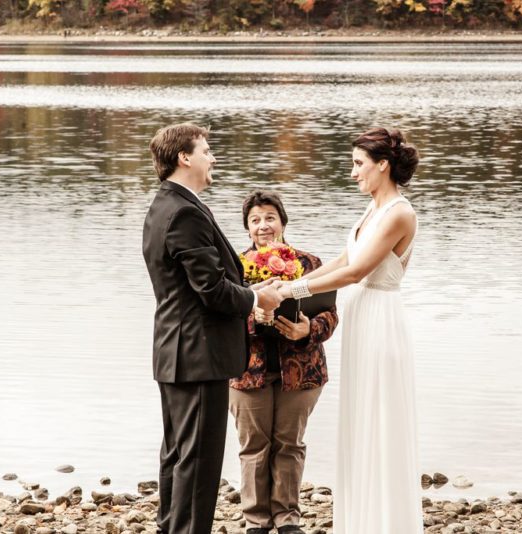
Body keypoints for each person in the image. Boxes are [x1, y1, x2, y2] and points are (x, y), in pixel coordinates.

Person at [277, 127, 422, 533]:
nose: (353, 172)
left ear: (383, 165)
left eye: (359, 164)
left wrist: (294, 288)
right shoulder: (372, 211)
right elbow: (341, 261)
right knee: (361, 416)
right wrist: (284, 285)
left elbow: (358, 271)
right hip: (363, 322)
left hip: (381, 320)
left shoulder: (399, 213)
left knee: (381, 418)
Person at [142, 123, 284, 534]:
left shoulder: (162, 205)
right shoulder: (184, 211)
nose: (213, 157)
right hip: (198, 355)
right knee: (198, 463)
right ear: (184, 157)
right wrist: (259, 299)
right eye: (206, 150)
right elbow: (211, 291)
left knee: (178, 457)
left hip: (176, 352)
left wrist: (251, 289)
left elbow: (196, 286)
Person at [229, 190, 339, 534]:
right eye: (255, 220)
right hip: (248, 371)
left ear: (283, 222)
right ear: (248, 229)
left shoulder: (310, 264)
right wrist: (255, 316)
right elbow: (219, 319)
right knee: (253, 447)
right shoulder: (233, 266)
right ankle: (256, 521)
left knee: (290, 444)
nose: (264, 226)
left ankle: (288, 518)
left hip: (302, 371)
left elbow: (331, 314)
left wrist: (309, 329)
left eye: (270, 218)